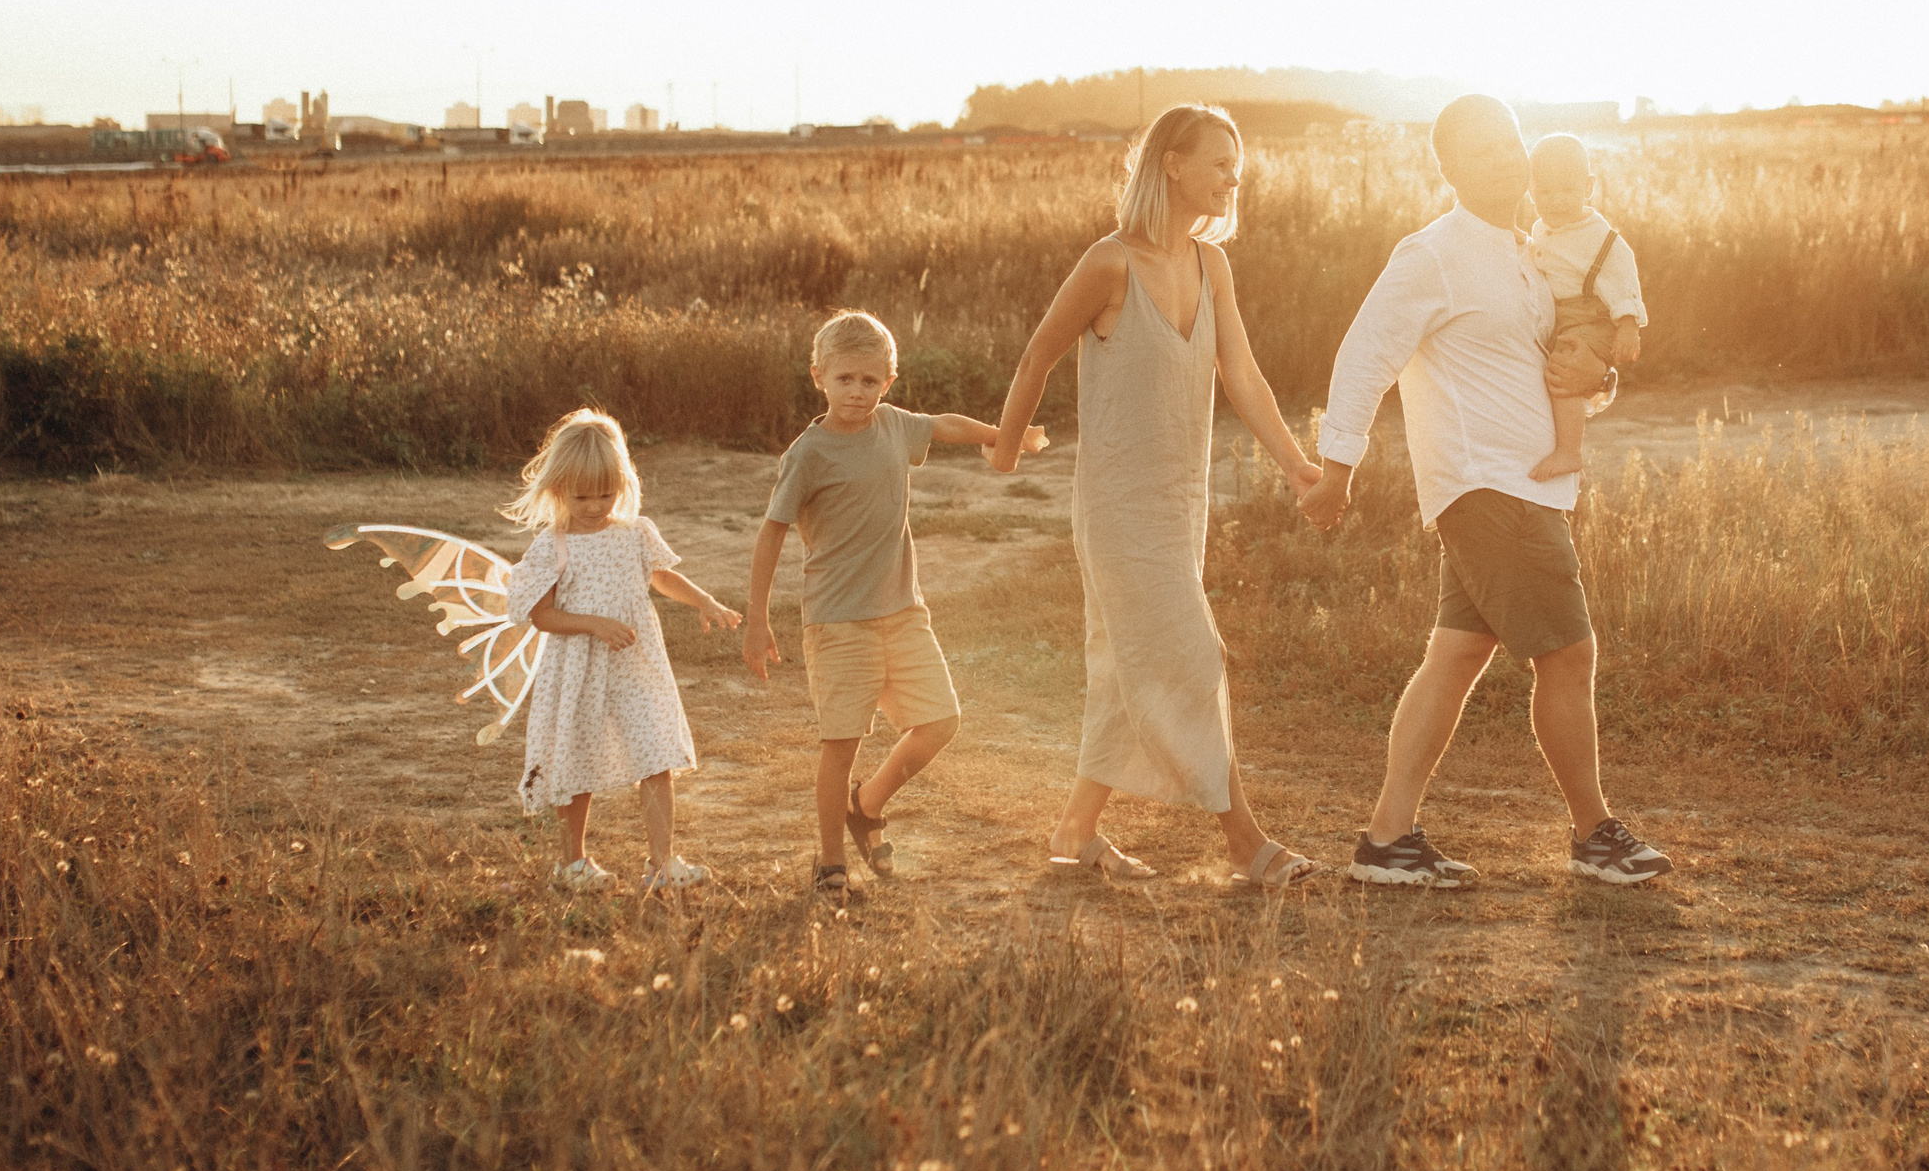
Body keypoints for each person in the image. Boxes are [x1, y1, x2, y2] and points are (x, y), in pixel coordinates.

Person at [1300, 95, 1675, 887]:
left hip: (1528, 484)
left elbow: (1557, 366)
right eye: (1486, 151)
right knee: (1570, 656)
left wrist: (1598, 375)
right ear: (1451, 168)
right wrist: (1340, 466)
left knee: (1457, 655)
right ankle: (1593, 834)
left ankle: (1386, 840)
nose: (1508, 161)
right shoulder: (1432, 254)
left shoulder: (1530, 255)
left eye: (1512, 144)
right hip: (1487, 485)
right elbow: (1366, 352)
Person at [987, 103, 1325, 890]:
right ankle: (1244, 840)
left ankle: (1074, 834)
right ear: (1171, 164)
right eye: (1219, 161)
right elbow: (1038, 352)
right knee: (1192, 656)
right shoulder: (1110, 263)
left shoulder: (1214, 267)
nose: (1231, 177)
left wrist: (1295, 464)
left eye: (1236, 166)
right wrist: (1006, 448)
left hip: (1180, 504)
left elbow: (1241, 374)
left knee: (1121, 670)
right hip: (1118, 509)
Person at [742, 309, 1048, 907]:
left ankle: (869, 804)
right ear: (819, 377)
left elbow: (943, 425)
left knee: (940, 720)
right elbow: (771, 533)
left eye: (870, 380)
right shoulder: (808, 455)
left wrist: (999, 435)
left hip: (904, 611)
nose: (857, 392)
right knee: (842, 740)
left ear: (888, 381)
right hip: (838, 621)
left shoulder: (894, 426)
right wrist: (757, 619)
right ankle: (830, 864)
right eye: (845, 379)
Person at [501, 407, 741, 893]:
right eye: (582, 495)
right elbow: (541, 615)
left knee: (656, 752)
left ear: (624, 484)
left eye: (606, 493)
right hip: (578, 669)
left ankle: (661, 862)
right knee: (576, 759)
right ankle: (573, 865)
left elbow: (662, 576)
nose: (594, 505)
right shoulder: (555, 545)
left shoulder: (635, 533)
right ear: (557, 490)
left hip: (636, 665)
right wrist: (594, 625)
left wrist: (705, 600)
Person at [1524, 133, 1645, 481]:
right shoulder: (1540, 229)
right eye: (1544, 192)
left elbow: (1624, 280)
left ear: (1588, 186)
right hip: (1563, 318)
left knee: (1566, 371)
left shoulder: (1602, 237)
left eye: (1566, 190)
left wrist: (1627, 325)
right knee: (1553, 368)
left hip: (1593, 319)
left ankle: (1569, 452)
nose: (1556, 201)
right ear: (1531, 191)